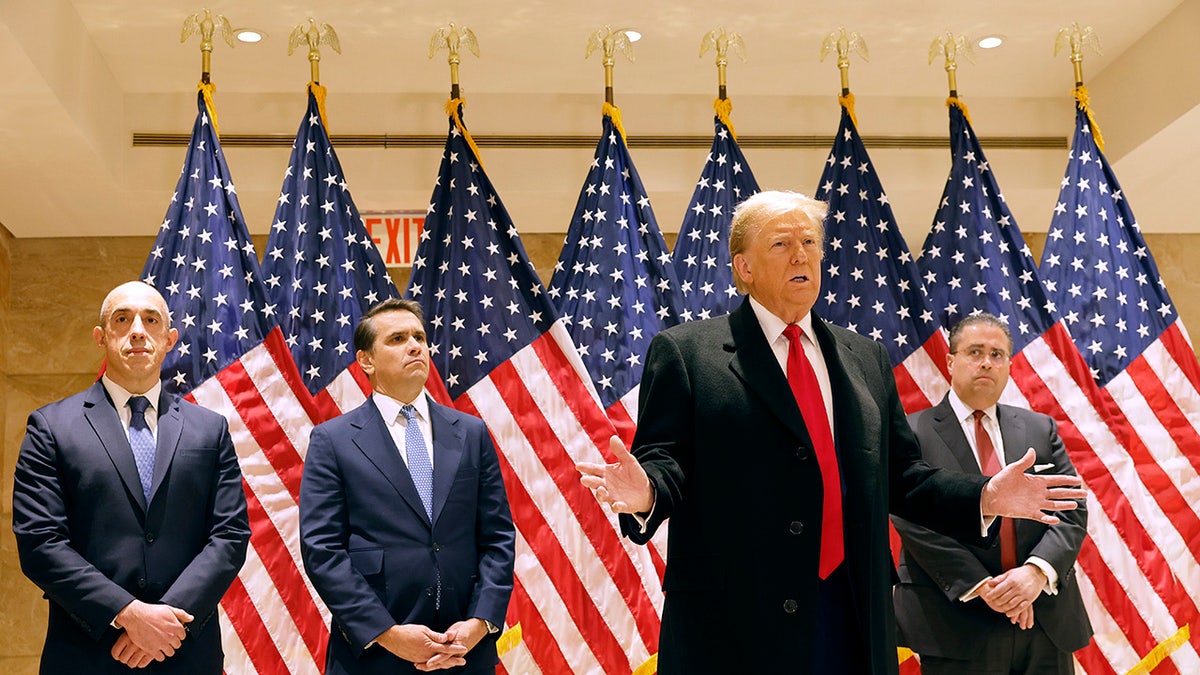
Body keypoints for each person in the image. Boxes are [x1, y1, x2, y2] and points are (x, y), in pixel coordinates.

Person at [577, 191, 1086, 675]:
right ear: (744, 268)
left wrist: (985, 495)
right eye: (782, 243)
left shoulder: (863, 356)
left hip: (850, 611)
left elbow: (904, 478)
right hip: (735, 622)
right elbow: (667, 461)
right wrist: (645, 491)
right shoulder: (688, 354)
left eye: (811, 243)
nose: (802, 254)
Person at [12, 280, 250, 673]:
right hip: (87, 652)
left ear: (170, 338)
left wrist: (167, 622)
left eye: (150, 319)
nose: (137, 329)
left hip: (186, 650)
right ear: (101, 337)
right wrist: (126, 613)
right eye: (122, 319)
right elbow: (40, 542)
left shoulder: (210, 429)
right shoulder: (51, 427)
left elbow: (229, 536)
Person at [300, 298, 515, 674]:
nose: (415, 345)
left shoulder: (471, 433)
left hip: (464, 651)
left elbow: (498, 538)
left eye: (419, 336)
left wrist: (480, 623)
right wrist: (387, 633)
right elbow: (322, 550)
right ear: (366, 360)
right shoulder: (332, 440)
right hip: (374, 656)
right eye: (398, 338)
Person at [892, 313, 1091, 674]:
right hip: (955, 623)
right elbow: (913, 519)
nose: (987, 362)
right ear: (950, 361)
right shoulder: (912, 431)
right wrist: (986, 587)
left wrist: (1034, 574)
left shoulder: (1039, 428)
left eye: (997, 354)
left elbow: (1071, 509)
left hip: (1044, 620)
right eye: (975, 352)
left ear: (1010, 366)